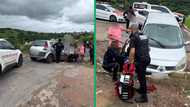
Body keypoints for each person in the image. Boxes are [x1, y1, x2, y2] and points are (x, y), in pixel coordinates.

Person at [127, 24, 150, 103]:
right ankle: (141, 89)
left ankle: (144, 97)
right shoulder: (144, 36)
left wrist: (130, 62)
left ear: (132, 30)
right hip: (147, 59)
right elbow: (148, 48)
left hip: (140, 61)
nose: (130, 32)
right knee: (141, 76)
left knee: (142, 77)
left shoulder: (134, 37)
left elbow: (132, 51)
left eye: (130, 30)